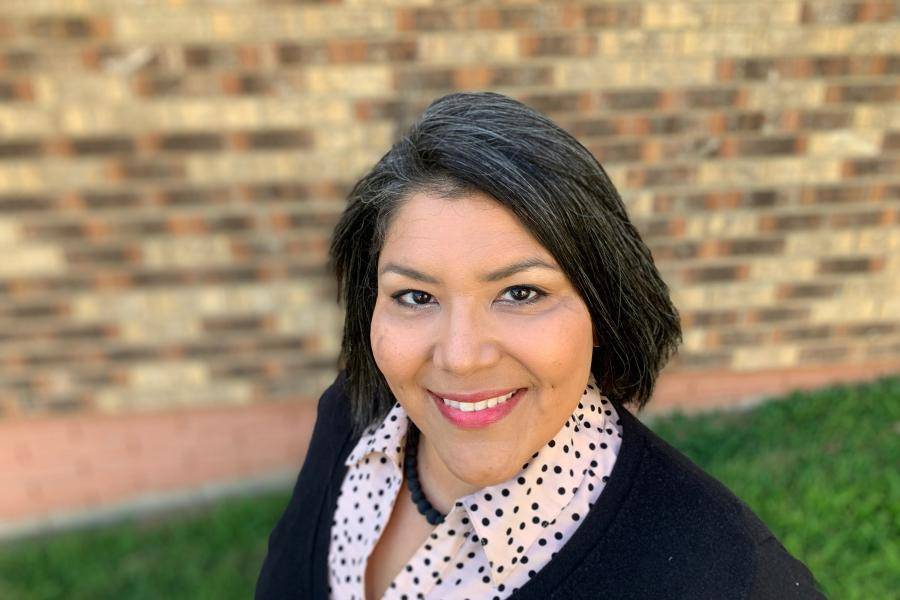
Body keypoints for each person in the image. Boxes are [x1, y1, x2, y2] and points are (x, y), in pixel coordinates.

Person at [255, 92, 826, 599]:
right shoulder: (350, 417)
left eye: (520, 292)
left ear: (603, 306)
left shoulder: (732, 581)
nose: (460, 355)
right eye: (415, 296)